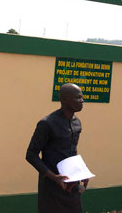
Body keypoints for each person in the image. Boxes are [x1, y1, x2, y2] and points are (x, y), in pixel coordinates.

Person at [26, 83, 90, 213]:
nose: (82, 100)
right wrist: (54, 177)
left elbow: (71, 153)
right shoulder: (47, 124)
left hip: (72, 184)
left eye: (82, 97)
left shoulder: (77, 123)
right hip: (52, 186)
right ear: (64, 99)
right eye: (78, 97)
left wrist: (82, 172)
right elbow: (31, 154)